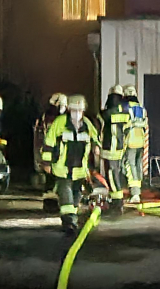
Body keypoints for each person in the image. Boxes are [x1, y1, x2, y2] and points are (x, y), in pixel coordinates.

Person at [43, 94, 99, 233]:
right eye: (74, 110)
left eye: (79, 111)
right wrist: (46, 162)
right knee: (66, 195)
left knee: (75, 197)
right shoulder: (60, 123)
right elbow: (49, 142)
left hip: (79, 170)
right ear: (69, 110)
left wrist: (96, 147)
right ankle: (69, 222)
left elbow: (94, 137)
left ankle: (72, 218)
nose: (77, 113)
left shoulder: (87, 124)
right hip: (62, 168)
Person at [98, 85, 131, 213]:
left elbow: (101, 122)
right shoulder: (125, 110)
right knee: (116, 173)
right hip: (120, 146)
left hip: (109, 147)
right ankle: (117, 200)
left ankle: (117, 203)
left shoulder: (108, 111)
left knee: (111, 175)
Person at [123, 85, 148, 203]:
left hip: (130, 141)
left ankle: (135, 193)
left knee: (130, 166)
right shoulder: (142, 108)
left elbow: (124, 125)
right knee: (138, 166)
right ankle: (138, 190)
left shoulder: (125, 108)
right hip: (140, 141)